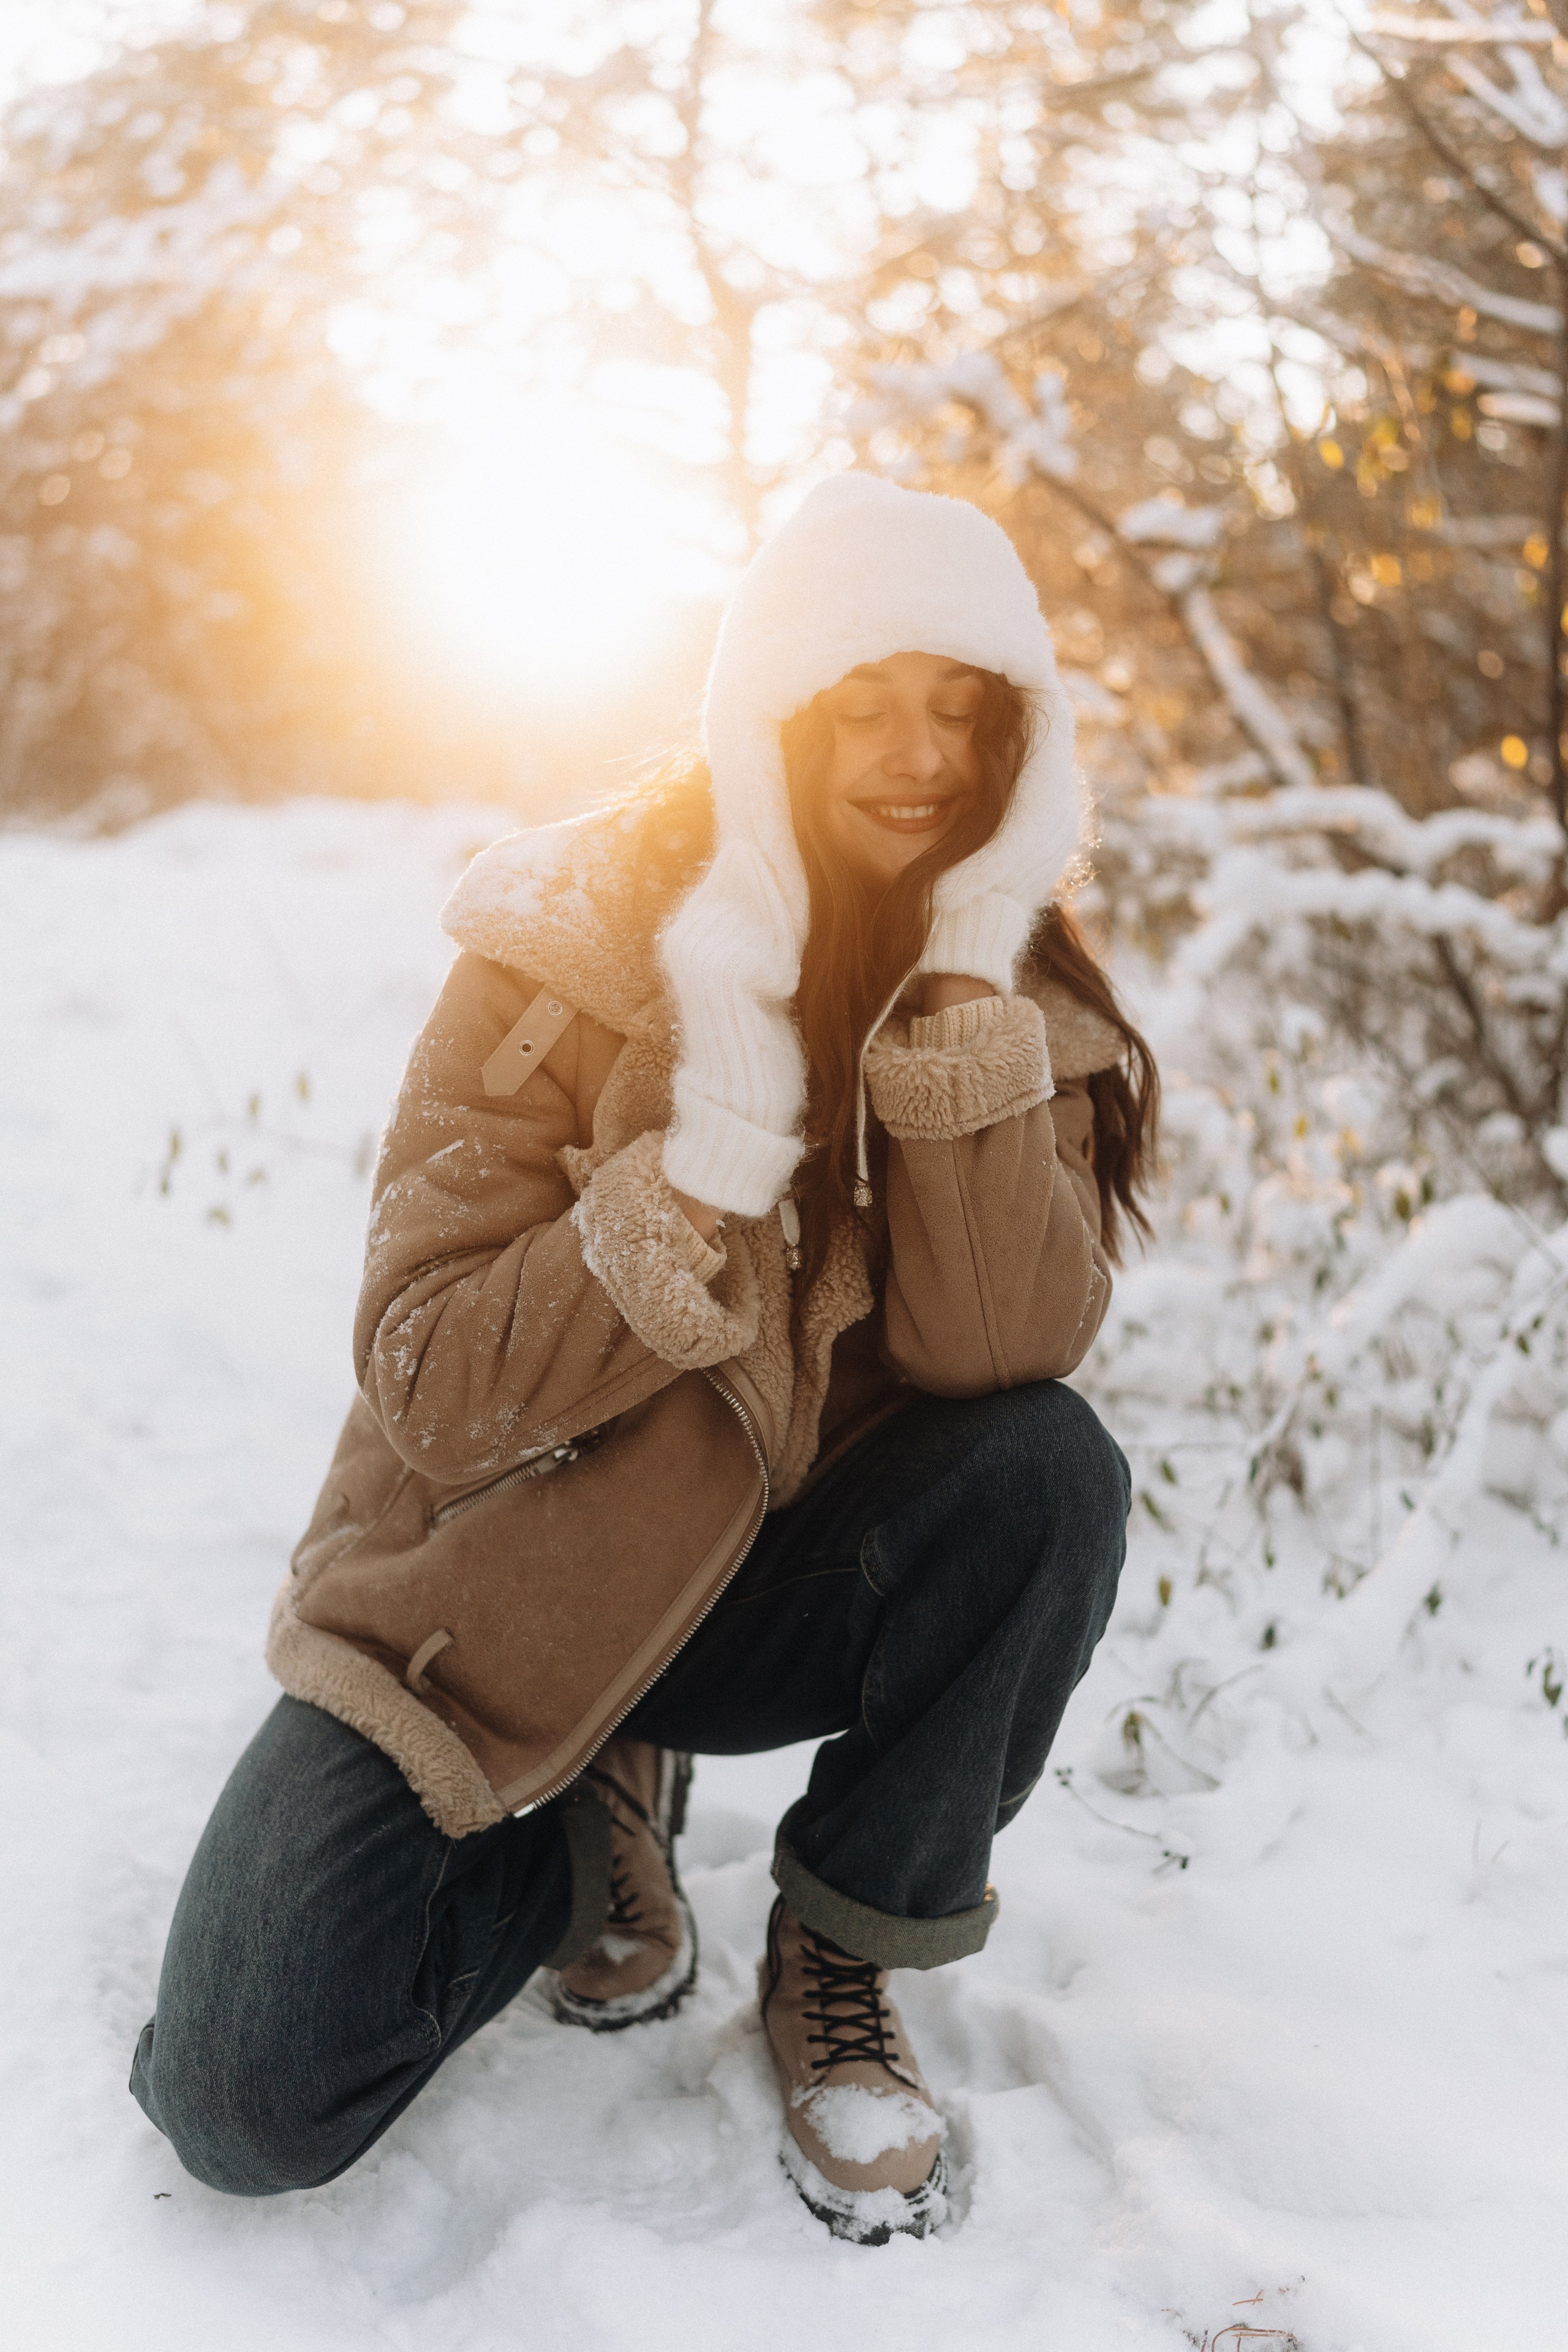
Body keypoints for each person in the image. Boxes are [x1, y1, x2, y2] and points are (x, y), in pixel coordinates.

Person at [129, 473, 1156, 2245]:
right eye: (865, 705)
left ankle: (836, 1951)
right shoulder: (573, 943)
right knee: (245, 2106)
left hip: (773, 1589)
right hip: (490, 1596)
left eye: (960, 710)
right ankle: (575, 1798)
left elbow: (1000, 1355)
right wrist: (674, 1191)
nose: (916, 757)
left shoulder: (1017, 986)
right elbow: (424, 1366)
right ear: (773, 714)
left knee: (1051, 1468)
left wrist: (963, 1045)